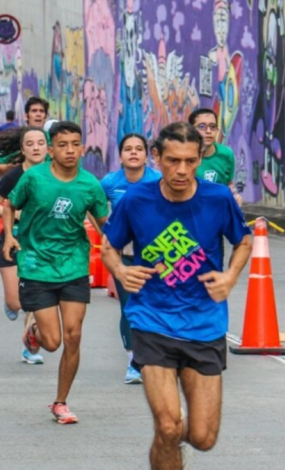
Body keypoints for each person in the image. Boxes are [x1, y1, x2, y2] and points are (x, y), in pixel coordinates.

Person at [101, 122, 253, 469]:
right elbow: (109, 245)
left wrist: (230, 276)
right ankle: (166, 438)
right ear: (157, 158)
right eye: (172, 161)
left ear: (200, 158)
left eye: (189, 161)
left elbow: (243, 240)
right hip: (152, 319)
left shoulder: (218, 198)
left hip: (205, 322)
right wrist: (121, 271)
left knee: (202, 437)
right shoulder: (138, 199)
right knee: (169, 425)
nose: (181, 170)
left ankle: (165, 444)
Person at [2, 121, 109, 424]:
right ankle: (33, 333)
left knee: (73, 335)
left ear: (82, 147)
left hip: (73, 265)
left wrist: (123, 251)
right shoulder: (34, 178)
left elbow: (106, 227)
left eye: (75, 144)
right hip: (36, 265)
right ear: (51, 149)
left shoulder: (90, 185)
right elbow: (9, 205)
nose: (70, 150)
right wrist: (10, 236)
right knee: (52, 342)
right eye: (62, 145)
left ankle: (61, 402)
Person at [100, 133, 162, 384]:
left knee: (156, 305)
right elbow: (97, 210)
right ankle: (134, 361)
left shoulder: (158, 180)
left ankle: (159, 356)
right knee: (129, 308)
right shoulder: (109, 182)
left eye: (139, 149)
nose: (134, 153)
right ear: (121, 155)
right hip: (124, 254)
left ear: (146, 155)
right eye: (128, 149)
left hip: (157, 255)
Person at [0, 126, 48, 365]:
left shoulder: (56, 174)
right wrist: (18, 214)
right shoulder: (14, 176)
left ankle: (30, 348)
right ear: (22, 149)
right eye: (30, 144)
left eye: (40, 143)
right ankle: (10, 301)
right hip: (13, 241)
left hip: (41, 245)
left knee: (35, 296)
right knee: (16, 303)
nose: (36, 148)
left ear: (48, 147)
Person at [188, 108, 242, 205]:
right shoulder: (184, 156)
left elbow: (228, 183)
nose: (208, 131)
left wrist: (234, 196)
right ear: (191, 129)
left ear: (217, 130)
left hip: (218, 211)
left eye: (212, 126)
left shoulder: (227, 154)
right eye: (202, 126)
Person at [0, 97, 49, 176]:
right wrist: (9, 167)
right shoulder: (15, 138)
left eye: (41, 111)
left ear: (45, 116)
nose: (38, 114)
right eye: (34, 111)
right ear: (26, 116)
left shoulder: (52, 139)